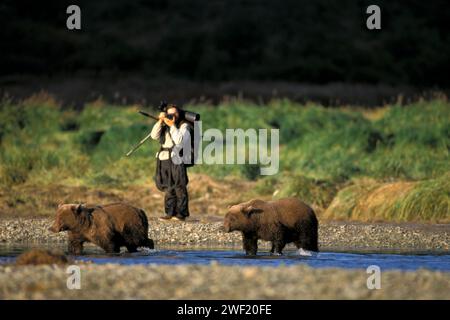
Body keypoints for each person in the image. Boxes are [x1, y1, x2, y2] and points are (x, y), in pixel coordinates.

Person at [150, 104, 190, 221]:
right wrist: (160, 121)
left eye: (175, 113)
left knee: (179, 185)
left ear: (179, 114)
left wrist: (172, 126)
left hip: (177, 157)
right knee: (168, 186)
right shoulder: (164, 125)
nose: (172, 115)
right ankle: (169, 213)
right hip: (164, 158)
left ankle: (181, 214)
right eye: (170, 113)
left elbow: (179, 141)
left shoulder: (184, 126)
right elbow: (154, 136)